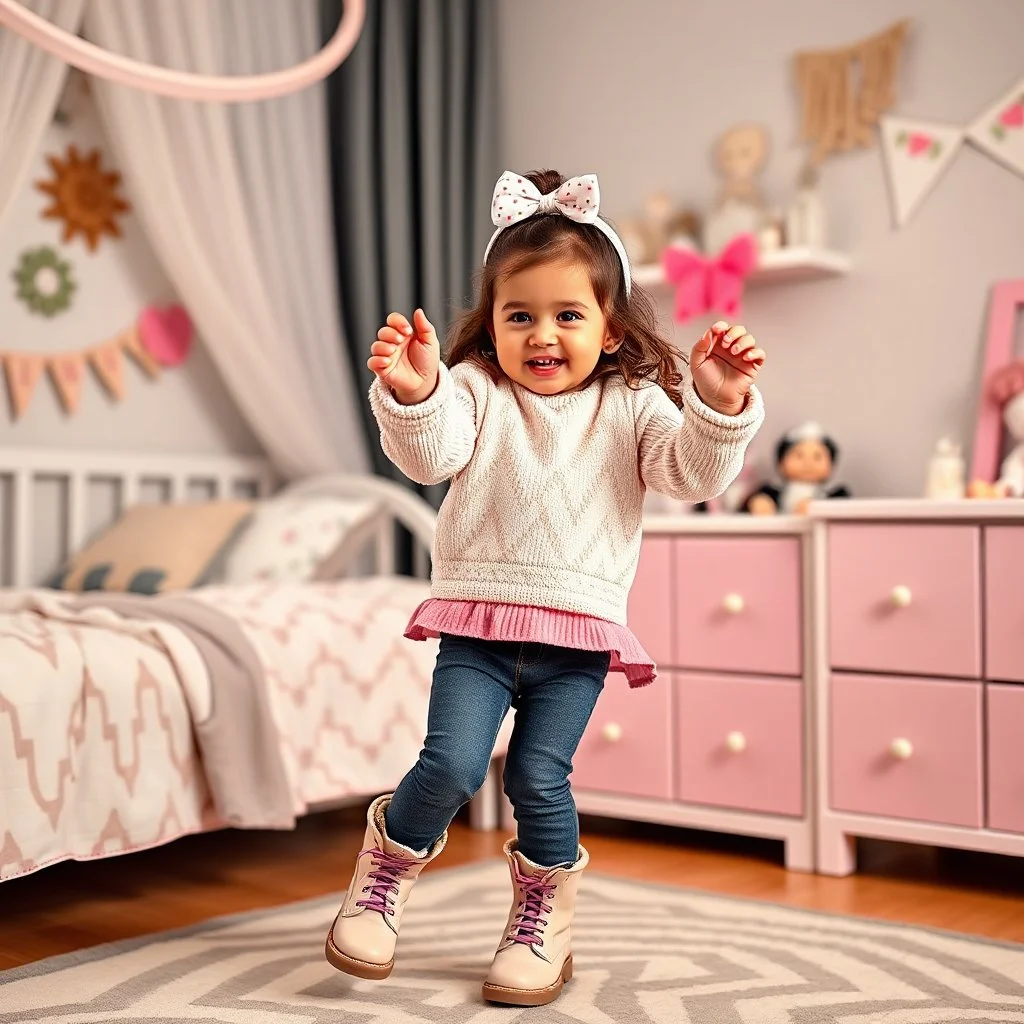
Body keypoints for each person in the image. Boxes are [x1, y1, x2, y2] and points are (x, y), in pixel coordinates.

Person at [324, 168, 766, 1007]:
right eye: (519, 315)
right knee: (452, 763)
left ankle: (542, 919)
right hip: (479, 632)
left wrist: (716, 403)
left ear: (609, 328)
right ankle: (385, 875)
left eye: (569, 315)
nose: (543, 335)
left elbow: (688, 474)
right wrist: (416, 391)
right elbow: (431, 453)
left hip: (577, 642)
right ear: (489, 327)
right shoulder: (478, 393)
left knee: (538, 779)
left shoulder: (633, 405)